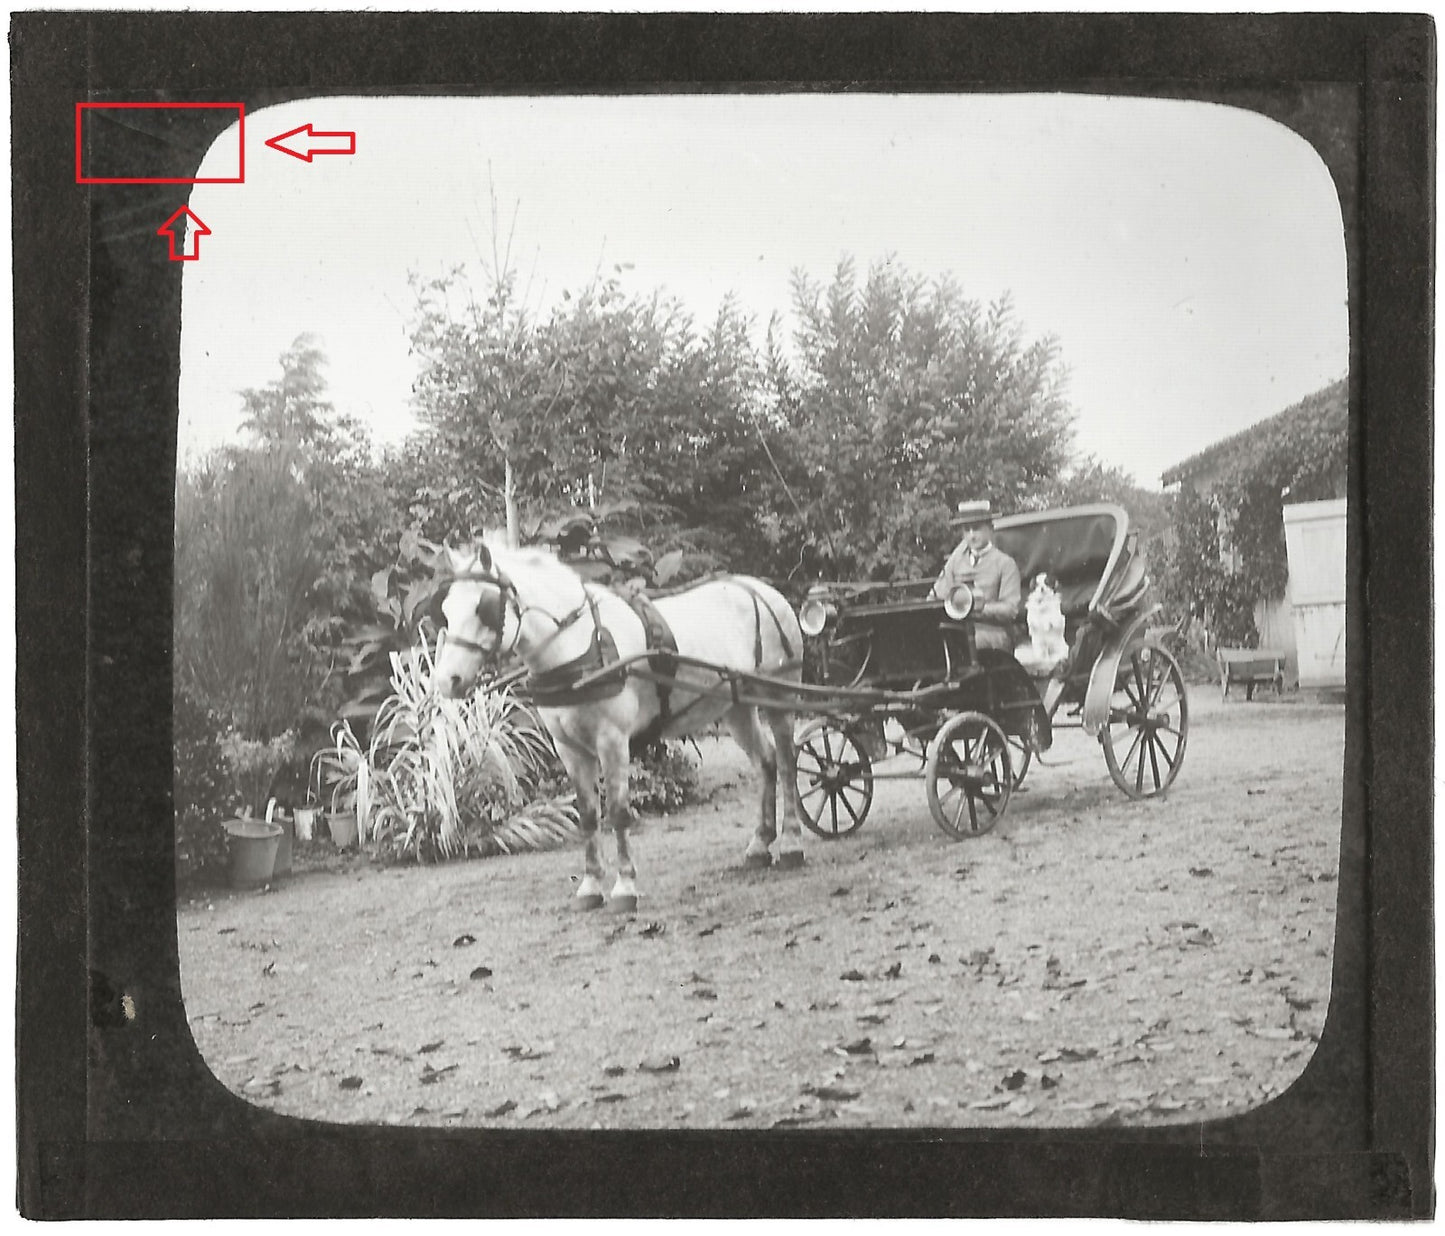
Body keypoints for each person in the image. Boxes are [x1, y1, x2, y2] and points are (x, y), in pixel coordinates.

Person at [933, 500, 1022, 652]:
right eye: (967, 530)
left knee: (967, 644)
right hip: (957, 629)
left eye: (977, 529)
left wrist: (975, 608)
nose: (972, 536)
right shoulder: (956, 561)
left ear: (991, 529)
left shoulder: (1005, 563)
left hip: (993, 633)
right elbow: (937, 595)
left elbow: (1011, 609)